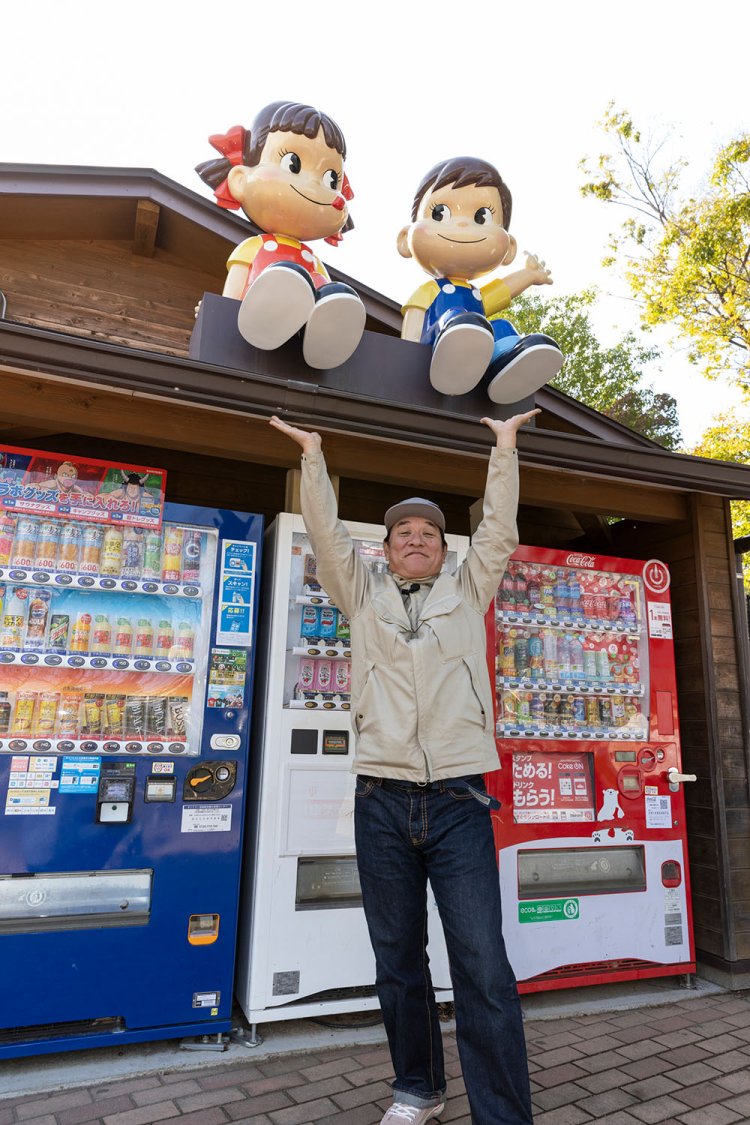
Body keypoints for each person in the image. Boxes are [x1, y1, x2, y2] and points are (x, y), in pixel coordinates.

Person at [270, 410, 537, 1125]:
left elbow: (499, 531)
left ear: (443, 551)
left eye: (427, 534)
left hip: (459, 799)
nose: (415, 540)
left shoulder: (468, 589)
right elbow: (326, 538)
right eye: (402, 535)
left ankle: (504, 1115)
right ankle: (418, 1088)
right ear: (385, 551)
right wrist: (316, 459)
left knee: (482, 964)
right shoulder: (362, 596)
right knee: (397, 957)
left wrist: (503, 448)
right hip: (381, 799)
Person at [196, 100, 365, 370]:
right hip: (251, 320)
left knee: (334, 292)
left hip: (301, 334)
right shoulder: (255, 246)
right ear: (240, 178)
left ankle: (323, 341)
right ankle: (269, 316)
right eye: (293, 164)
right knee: (286, 274)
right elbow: (235, 286)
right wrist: (219, 315)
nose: (313, 184)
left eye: (331, 179)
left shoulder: (313, 260)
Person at [398, 156, 563, 403]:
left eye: (481, 217)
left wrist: (529, 275)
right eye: (440, 213)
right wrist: (407, 356)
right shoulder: (430, 290)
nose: (462, 224)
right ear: (405, 239)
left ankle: (506, 369)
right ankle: (452, 358)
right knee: (458, 317)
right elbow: (414, 321)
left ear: (509, 248)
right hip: (433, 344)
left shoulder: (477, 296)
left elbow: (504, 289)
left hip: (477, 341)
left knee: (502, 327)